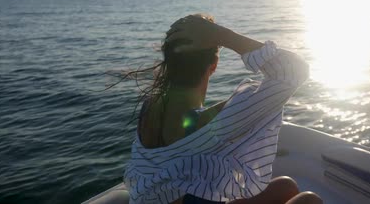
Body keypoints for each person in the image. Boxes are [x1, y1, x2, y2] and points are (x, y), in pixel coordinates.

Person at [123, 14, 322, 204]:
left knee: (285, 186)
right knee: (310, 200)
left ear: (168, 60)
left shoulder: (149, 106)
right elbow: (293, 71)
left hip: (166, 198)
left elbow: (188, 129)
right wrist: (222, 35)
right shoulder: (218, 124)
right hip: (188, 199)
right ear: (214, 64)